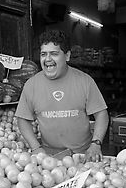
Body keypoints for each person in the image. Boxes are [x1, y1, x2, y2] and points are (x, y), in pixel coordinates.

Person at [15, 30, 109, 161]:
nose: (48, 59)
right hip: (49, 157)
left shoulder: (85, 81)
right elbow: (23, 119)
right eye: (43, 54)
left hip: (83, 155)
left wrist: (96, 143)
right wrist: (36, 148)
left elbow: (101, 114)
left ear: (67, 56)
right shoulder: (31, 85)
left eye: (54, 53)